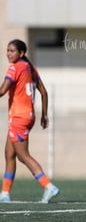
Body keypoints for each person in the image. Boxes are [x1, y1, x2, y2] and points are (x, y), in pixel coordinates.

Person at [0, 39, 59, 203]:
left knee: (23, 155)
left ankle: (48, 186)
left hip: (19, 117)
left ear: (21, 53)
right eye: (7, 50)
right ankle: (4, 194)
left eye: (12, 51)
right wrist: (44, 115)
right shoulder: (30, 68)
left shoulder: (15, 68)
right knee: (9, 153)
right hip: (27, 116)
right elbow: (44, 93)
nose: (9, 54)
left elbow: (2, 91)